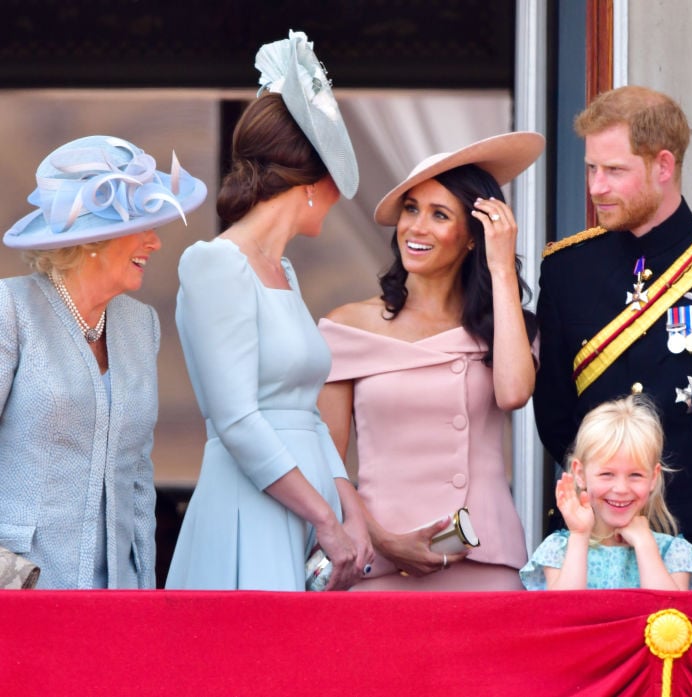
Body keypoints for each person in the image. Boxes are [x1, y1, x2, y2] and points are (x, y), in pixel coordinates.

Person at [533, 85, 692, 588]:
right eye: (591, 169)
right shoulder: (567, 269)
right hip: (599, 539)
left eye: (615, 171)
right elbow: (557, 414)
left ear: (663, 166)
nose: (597, 187)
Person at [166, 31, 370, 591]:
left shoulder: (286, 272)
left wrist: (349, 506)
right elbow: (235, 418)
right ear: (310, 182)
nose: (337, 195)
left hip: (309, 508)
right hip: (251, 505)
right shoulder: (213, 263)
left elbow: (305, 411)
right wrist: (325, 518)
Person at [317, 132, 544, 591]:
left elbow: (514, 393)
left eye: (439, 215)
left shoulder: (510, 329)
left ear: (471, 239)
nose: (416, 227)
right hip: (378, 564)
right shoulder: (347, 326)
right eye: (411, 209)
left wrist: (501, 266)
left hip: (485, 564)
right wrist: (382, 540)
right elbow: (326, 462)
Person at [0, 134, 207, 588]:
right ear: (93, 238)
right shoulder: (10, 311)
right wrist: (10, 576)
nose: (155, 242)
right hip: (20, 591)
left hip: (115, 594)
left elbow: (137, 477)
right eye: (142, 225)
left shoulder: (141, 325)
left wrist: (143, 589)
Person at [520, 395, 692, 590]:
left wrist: (645, 544)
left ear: (653, 478)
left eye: (635, 475)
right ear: (580, 474)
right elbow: (566, 612)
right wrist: (579, 535)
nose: (621, 489)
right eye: (607, 474)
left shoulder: (673, 553)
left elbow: (669, 614)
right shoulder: (559, 550)